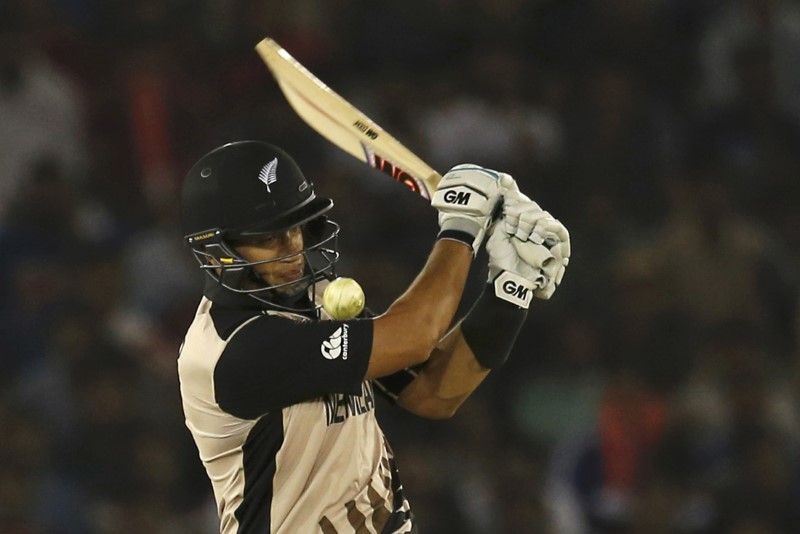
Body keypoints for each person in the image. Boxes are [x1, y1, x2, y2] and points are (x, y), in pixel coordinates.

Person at [177, 140, 570, 533]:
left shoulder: (314, 299)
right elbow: (415, 334)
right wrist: (462, 227)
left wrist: (510, 288)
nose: (293, 247)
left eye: (296, 227)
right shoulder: (234, 349)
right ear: (216, 252)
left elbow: (433, 393)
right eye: (268, 238)